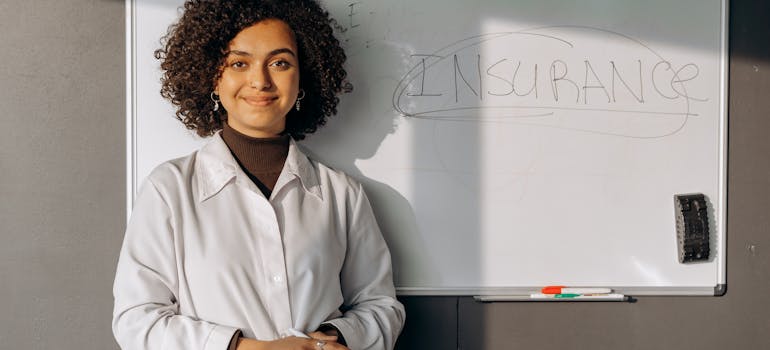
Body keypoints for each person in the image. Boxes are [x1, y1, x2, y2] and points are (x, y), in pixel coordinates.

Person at [112, 1, 405, 349]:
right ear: (212, 77)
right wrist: (250, 349)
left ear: (304, 77)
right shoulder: (169, 190)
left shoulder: (342, 194)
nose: (260, 80)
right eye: (239, 63)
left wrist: (328, 342)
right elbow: (136, 319)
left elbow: (381, 305)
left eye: (280, 63)